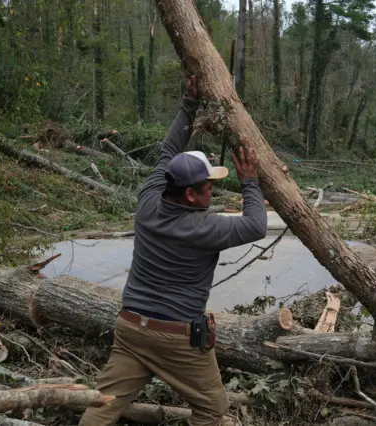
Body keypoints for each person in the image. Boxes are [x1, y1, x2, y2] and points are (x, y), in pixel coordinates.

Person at [78, 75, 267, 426]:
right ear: (192, 195)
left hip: (132, 329)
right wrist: (250, 182)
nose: (213, 191)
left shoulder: (149, 201)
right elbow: (257, 224)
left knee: (101, 409)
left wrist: (189, 102)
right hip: (177, 339)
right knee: (213, 410)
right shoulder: (203, 227)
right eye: (209, 187)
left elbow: (168, 151)